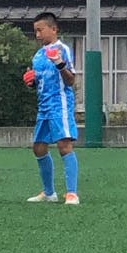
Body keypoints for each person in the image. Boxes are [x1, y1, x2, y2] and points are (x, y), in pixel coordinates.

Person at [23, 11, 79, 204]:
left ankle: (72, 193)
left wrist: (59, 64)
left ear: (53, 29)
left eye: (41, 30)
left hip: (60, 104)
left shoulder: (63, 49)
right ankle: (49, 193)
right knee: (38, 147)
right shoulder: (38, 55)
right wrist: (31, 82)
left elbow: (70, 80)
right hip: (43, 107)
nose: (37, 35)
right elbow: (39, 82)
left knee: (64, 145)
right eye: (35, 31)